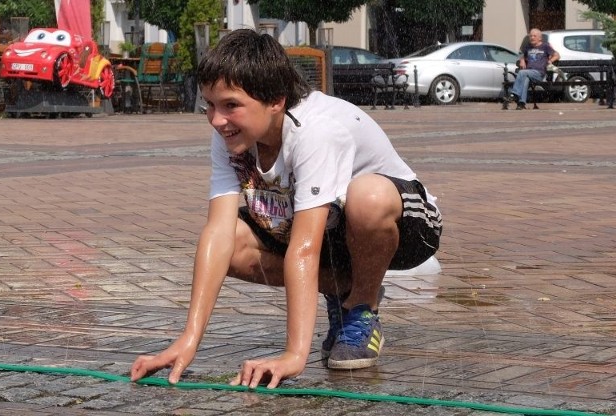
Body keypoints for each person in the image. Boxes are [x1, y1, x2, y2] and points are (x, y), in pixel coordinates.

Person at [130, 29, 442, 389]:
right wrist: (188, 340)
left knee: (366, 197)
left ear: (276, 100)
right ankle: (341, 289)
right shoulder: (231, 135)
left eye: (231, 105)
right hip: (331, 233)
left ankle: (361, 308)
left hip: (404, 228)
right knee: (229, 244)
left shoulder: (315, 132)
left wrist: (295, 353)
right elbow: (217, 231)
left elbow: (305, 248)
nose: (217, 120)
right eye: (209, 105)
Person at [505, 28, 560, 110]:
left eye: (534, 36)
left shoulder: (545, 46)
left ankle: (514, 94)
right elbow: (522, 54)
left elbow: (557, 55)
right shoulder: (528, 47)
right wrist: (522, 60)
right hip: (529, 73)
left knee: (522, 73)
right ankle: (521, 103)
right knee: (525, 79)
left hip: (539, 73)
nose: (532, 38)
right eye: (531, 36)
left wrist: (550, 61)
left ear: (540, 38)